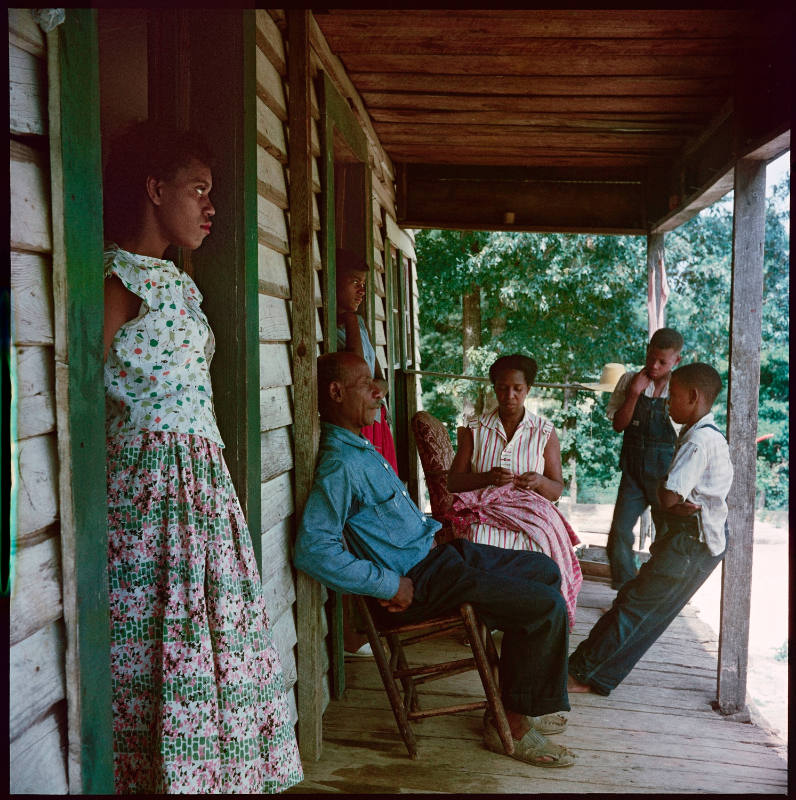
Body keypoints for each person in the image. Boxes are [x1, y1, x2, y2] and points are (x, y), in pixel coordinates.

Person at [102, 121, 302, 793]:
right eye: (199, 190)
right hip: (151, 498)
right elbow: (83, 392)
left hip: (202, 497)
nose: (210, 207)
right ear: (156, 190)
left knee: (213, 647)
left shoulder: (181, 285)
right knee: (163, 648)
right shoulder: (118, 278)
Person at [294, 351, 577, 767]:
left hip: (437, 558)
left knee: (544, 569)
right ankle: (513, 727)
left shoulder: (360, 445)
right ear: (335, 393)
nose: (379, 391)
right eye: (365, 385)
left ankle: (513, 699)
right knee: (544, 605)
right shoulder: (340, 464)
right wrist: (388, 584)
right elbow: (313, 549)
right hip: (417, 581)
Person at [567, 363, 733, 696]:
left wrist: (662, 488)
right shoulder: (707, 433)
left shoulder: (698, 441)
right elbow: (674, 498)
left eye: (674, 396)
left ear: (694, 396)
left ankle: (578, 673)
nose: (668, 403)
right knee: (647, 612)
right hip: (699, 541)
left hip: (690, 542)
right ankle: (598, 677)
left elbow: (670, 497)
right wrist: (669, 494)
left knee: (634, 606)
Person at [447, 354, 582, 629]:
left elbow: (555, 490)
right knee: (478, 537)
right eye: (502, 388)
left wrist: (538, 482)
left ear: (528, 390)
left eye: (517, 389)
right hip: (485, 509)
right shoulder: (475, 428)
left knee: (540, 543)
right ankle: (484, 618)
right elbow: (453, 482)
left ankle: (527, 615)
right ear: (494, 388)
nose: (509, 395)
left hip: (529, 511)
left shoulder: (544, 431)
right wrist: (487, 477)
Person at [604, 328, 684, 589]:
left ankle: (654, 593)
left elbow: (687, 437)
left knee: (666, 537)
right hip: (633, 475)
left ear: (677, 361)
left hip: (666, 478)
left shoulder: (681, 388)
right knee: (619, 534)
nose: (654, 365)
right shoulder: (629, 380)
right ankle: (624, 592)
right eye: (651, 357)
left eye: (662, 361)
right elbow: (619, 425)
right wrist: (634, 394)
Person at [336, 248, 398, 473]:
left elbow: (380, 379)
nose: (362, 291)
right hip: (357, 423)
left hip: (377, 416)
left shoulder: (361, 326)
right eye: (355, 282)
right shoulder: (336, 330)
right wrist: (350, 320)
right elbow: (361, 373)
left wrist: (376, 390)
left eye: (364, 284)